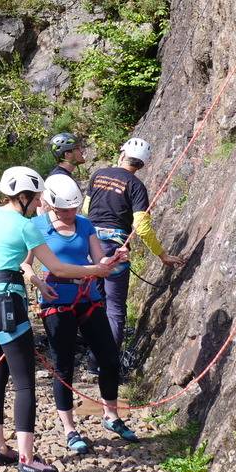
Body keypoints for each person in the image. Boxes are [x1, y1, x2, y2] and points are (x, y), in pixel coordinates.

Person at [0, 166, 127, 472]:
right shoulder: (26, 226)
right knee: (25, 383)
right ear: (25, 196)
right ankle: (27, 458)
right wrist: (96, 271)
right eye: (38, 196)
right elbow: (58, 268)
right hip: (7, 306)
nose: (41, 201)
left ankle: (0, 448)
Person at [30, 173, 139, 452]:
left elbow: (97, 259)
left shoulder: (85, 224)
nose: (69, 214)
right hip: (57, 300)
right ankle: (69, 429)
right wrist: (38, 283)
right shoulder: (36, 227)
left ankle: (111, 415)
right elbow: (25, 264)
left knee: (110, 358)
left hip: (88, 298)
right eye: (64, 210)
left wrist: (113, 258)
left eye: (73, 209)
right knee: (64, 365)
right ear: (51, 205)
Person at [84, 137, 186, 351]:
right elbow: (142, 226)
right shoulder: (136, 186)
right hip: (115, 248)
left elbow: (86, 209)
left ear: (122, 155)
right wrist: (162, 255)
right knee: (114, 309)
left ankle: (94, 360)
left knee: (94, 303)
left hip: (90, 244)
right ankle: (107, 365)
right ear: (142, 165)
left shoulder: (98, 175)